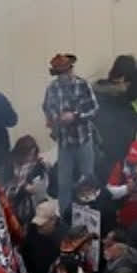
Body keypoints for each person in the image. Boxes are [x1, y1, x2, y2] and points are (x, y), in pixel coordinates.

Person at [42, 53, 100, 215]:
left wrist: (75, 116)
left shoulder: (83, 85)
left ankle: (91, 212)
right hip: (65, 143)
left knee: (88, 179)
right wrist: (56, 119)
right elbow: (47, 108)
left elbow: (94, 110)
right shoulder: (52, 89)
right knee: (64, 183)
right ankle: (66, 215)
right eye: (60, 73)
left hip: (83, 140)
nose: (64, 76)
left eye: (66, 71)